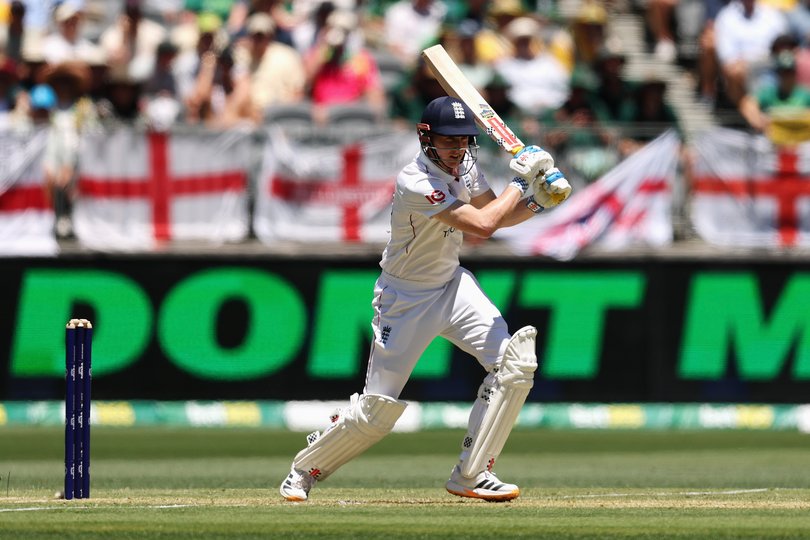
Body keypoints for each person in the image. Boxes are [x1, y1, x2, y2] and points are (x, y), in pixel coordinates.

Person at [278, 95, 572, 503]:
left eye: (465, 141)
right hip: (405, 298)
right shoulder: (415, 181)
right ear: (426, 137)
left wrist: (539, 202)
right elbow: (483, 226)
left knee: (515, 364)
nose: (458, 150)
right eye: (449, 141)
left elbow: (497, 214)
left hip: (452, 287)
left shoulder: (465, 171)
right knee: (376, 413)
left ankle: (471, 474)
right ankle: (303, 469)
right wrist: (523, 182)